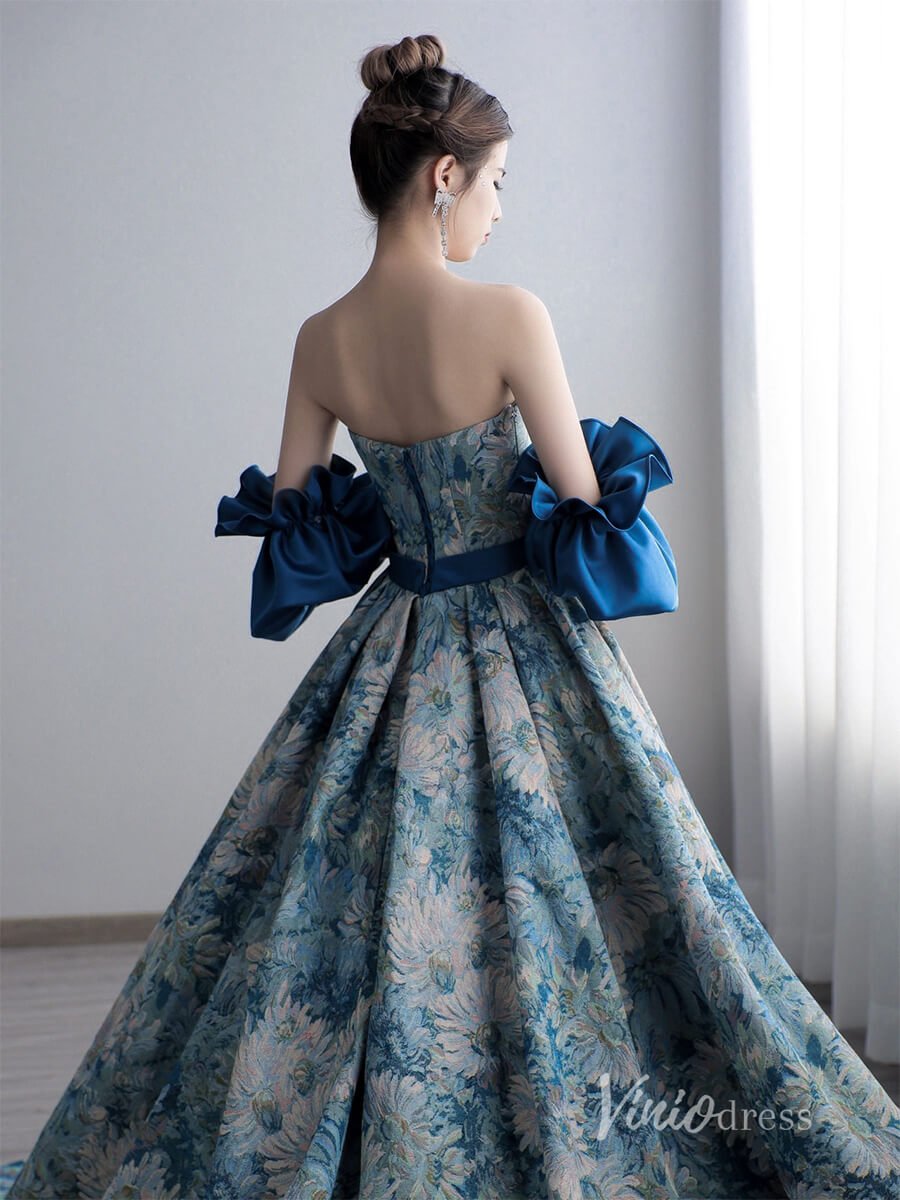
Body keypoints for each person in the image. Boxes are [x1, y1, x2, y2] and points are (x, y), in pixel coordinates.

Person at [4, 31, 898, 1200]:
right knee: (622, 887)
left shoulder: (321, 338)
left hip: (395, 642)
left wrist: (394, 507)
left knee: (344, 905)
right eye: (495, 183)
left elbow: (300, 524)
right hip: (528, 645)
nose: (499, 211)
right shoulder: (511, 316)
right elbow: (582, 502)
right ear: (442, 177)